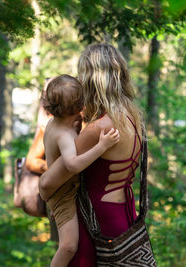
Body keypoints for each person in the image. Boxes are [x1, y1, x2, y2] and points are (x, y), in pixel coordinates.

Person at [39, 43, 145, 266]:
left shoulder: (98, 129)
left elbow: (48, 183)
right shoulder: (133, 117)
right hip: (125, 215)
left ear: (90, 82)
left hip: (95, 222)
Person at [40, 74, 120, 267]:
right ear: (79, 107)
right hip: (63, 194)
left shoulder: (54, 124)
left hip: (63, 189)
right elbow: (73, 165)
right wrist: (102, 146)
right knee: (68, 246)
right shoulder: (64, 135)